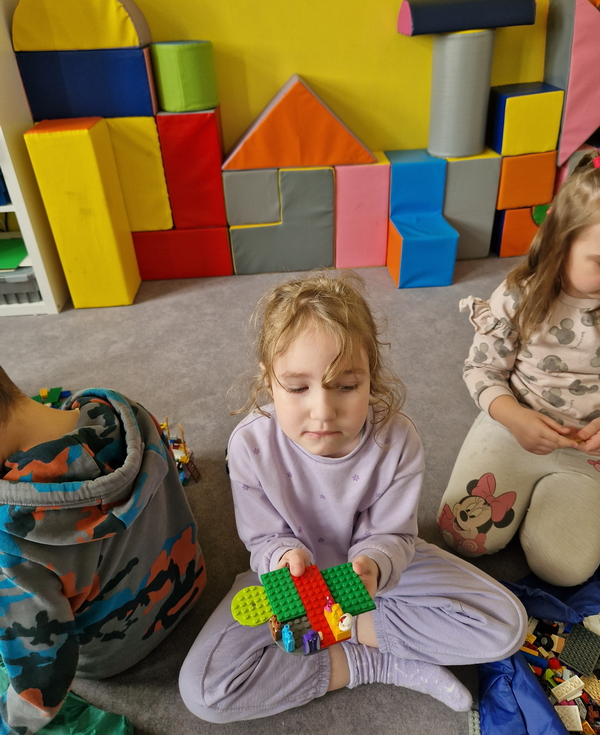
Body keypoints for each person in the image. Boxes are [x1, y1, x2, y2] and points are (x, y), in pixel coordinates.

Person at [179, 272, 526, 723]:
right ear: (268, 381)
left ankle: (355, 629)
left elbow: (393, 534)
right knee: (205, 691)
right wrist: (281, 558)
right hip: (292, 586)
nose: (323, 411)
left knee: (506, 626)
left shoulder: (396, 438)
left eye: (345, 386)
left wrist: (373, 567)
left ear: (370, 378)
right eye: (297, 388)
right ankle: (372, 661)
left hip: (379, 578)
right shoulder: (250, 444)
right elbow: (262, 538)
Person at [0, 370, 206, 733]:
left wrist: (9, 723)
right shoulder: (127, 415)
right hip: (189, 582)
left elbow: (42, 676)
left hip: (113, 655)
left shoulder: (9, 541)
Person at [438, 150, 600, 587]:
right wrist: (513, 417)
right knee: (461, 534)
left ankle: (547, 505)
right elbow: (481, 369)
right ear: (561, 243)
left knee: (564, 569)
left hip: (589, 452)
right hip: (514, 426)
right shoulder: (518, 296)